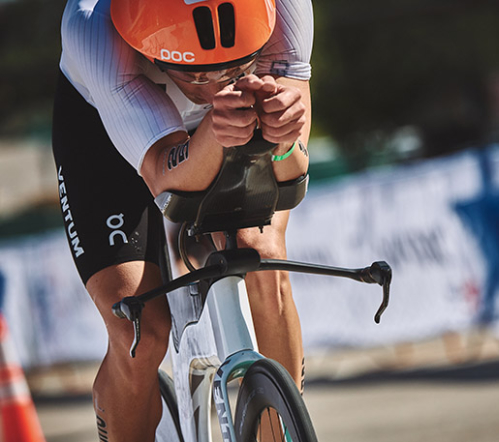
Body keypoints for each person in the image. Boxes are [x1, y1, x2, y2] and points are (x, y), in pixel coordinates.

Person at [51, 0, 313, 440]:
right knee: (138, 330)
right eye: (198, 76)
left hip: (220, 126)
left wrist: (285, 139)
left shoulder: (285, 6)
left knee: (263, 253)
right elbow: (163, 177)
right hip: (105, 129)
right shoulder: (93, 26)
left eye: (236, 67)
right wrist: (215, 129)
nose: (216, 87)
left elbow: (293, 177)